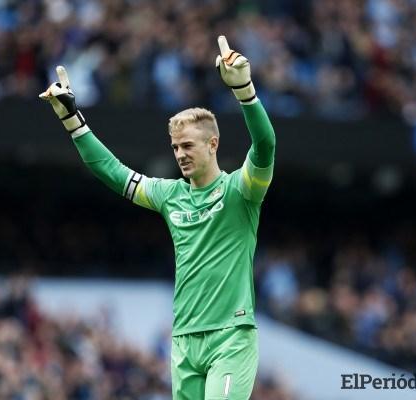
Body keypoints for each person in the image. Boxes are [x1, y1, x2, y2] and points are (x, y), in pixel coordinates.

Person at [40, 35, 276, 400]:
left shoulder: (241, 190)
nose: (180, 154)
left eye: (189, 146)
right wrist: (72, 119)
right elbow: (113, 173)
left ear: (212, 144)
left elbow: (265, 145)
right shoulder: (170, 195)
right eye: (176, 147)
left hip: (231, 336)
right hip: (183, 341)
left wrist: (244, 90)